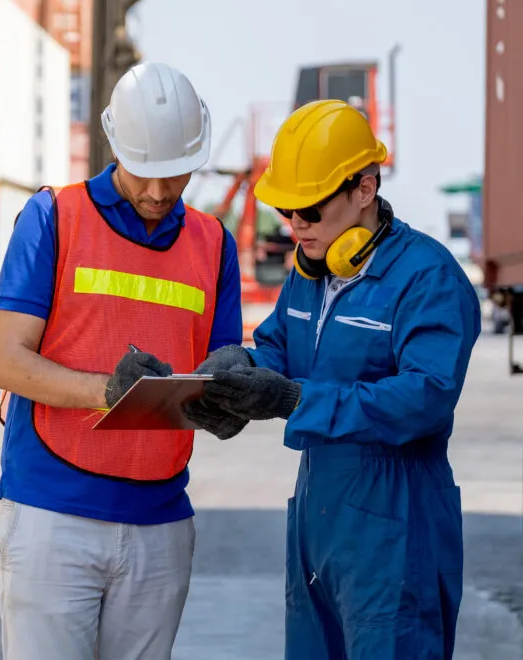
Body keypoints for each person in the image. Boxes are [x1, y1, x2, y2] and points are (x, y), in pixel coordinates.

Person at [184, 99, 481, 659]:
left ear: (364, 188)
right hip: (318, 515)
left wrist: (297, 399)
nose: (295, 226)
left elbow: (427, 397)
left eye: (310, 211)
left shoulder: (426, 278)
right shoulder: (310, 272)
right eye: (286, 212)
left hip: (398, 519)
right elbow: (278, 344)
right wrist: (236, 372)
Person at [0, 61, 243, 660]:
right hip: (53, 517)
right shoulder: (53, 217)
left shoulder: (213, 242)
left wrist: (234, 393)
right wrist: (111, 390)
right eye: (144, 174)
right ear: (113, 143)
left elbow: (220, 361)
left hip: (162, 521)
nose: (158, 193)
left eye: (174, 175)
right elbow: (6, 362)